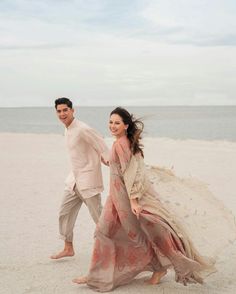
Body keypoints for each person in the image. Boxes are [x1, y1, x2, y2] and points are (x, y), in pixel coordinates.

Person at [72, 107, 216, 291]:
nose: (112, 126)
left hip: (124, 199)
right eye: (110, 122)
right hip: (116, 197)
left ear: (125, 125)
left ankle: (155, 269)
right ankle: (100, 274)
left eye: (117, 123)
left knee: (121, 234)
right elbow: (125, 167)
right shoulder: (123, 143)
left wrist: (133, 200)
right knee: (108, 232)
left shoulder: (120, 144)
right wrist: (109, 161)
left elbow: (131, 173)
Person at [51, 97, 109, 259]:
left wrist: (108, 160)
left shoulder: (82, 128)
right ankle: (68, 247)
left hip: (88, 181)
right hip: (73, 180)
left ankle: (114, 249)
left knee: (99, 218)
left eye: (65, 110)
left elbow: (101, 144)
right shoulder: (67, 129)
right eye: (59, 111)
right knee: (64, 212)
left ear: (72, 110)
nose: (62, 113)